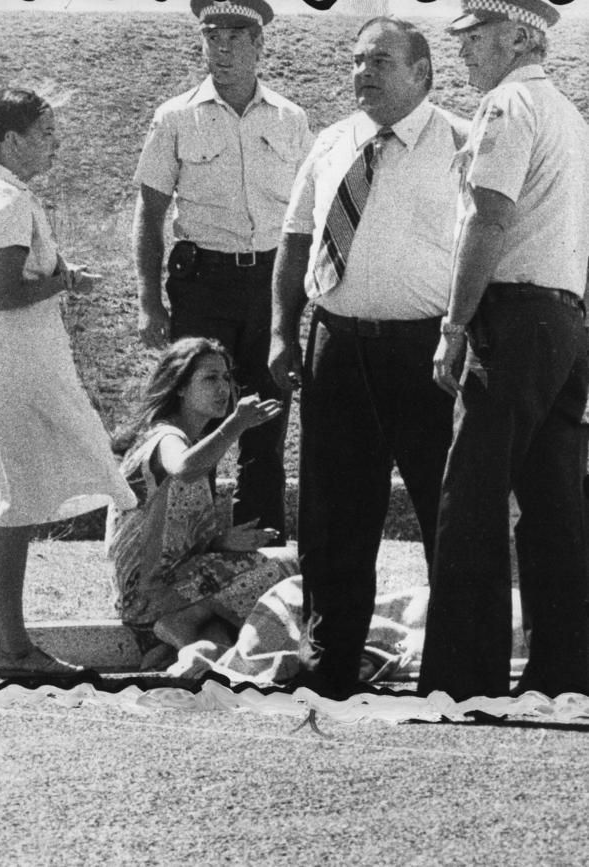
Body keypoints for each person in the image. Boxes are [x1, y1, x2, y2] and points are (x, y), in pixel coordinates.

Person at [268, 17, 469, 699]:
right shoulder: (332, 143)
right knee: (333, 514)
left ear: (423, 73)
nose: (364, 73)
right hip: (338, 345)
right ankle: (330, 659)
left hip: (427, 354)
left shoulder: (461, 144)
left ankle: (456, 667)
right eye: (357, 60)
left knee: (446, 511)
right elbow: (297, 241)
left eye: (381, 60)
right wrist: (280, 331)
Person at [418, 0, 589, 701]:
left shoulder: (507, 108)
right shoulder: (570, 117)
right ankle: (564, 667)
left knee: (473, 496)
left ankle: (463, 677)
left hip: (511, 317)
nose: (464, 50)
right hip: (563, 317)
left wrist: (454, 326)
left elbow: (489, 215)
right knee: (555, 503)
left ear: (520, 36)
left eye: (477, 36)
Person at [0, 89, 137, 678]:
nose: (55, 145)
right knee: (11, 509)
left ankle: (4, 646)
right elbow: (4, 294)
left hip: (10, 367)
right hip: (19, 372)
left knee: (3, 505)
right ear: (11, 141)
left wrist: (62, 276)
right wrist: (63, 283)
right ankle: (10, 650)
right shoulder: (6, 202)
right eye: (46, 133)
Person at [132, 0, 314, 543]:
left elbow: (308, 212)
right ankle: (185, 552)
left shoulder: (291, 118)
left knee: (268, 420)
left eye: (237, 35)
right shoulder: (176, 117)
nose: (223, 47)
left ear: (260, 45)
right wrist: (148, 301)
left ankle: (265, 558)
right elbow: (150, 213)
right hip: (203, 285)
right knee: (196, 420)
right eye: (213, 35)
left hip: (270, 284)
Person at [106, 337, 298, 667]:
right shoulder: (166, 437)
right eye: (209, 378)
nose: (223, 387)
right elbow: (184, 469)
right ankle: (185, 621)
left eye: (226, 378)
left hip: (164, 592)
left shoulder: (185, 439)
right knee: (295, 564)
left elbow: (169, 536)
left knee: (218, 645)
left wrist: (221, 541)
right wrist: (235, 424)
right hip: (151, 595)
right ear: (179, 387)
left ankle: (184, 644)